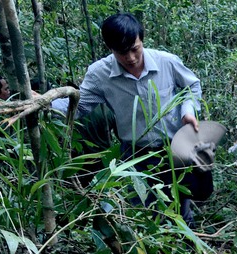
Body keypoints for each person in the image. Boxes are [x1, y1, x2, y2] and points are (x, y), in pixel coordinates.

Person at [53, 13, 204, 225]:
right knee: (143, 207)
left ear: (142, 40)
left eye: (135, 49)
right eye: (122, 53)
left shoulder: (167, 62)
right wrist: (44, 104)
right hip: (135, 152)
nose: (131, 58)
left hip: (174, 148)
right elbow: (81, 105)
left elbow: (192, 86)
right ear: (110, 48)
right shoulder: (100, 74)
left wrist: (188, 110)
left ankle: (189, 246)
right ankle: (155, 252)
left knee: (180, 203)